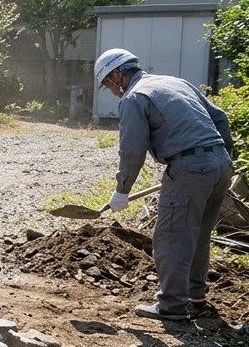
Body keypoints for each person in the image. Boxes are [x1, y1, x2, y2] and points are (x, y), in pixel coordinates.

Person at [94, 47, 234, 321]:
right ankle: (194, 295)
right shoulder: (175, 82)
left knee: (171, 236)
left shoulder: (134, 97)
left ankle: (171, 305)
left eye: (108, 83)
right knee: (198, 233)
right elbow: (220, 117)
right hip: (220, 164)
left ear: (118, 74)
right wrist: (218, 159)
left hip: (189, 168)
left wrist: (122, 190)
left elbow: (132, 150)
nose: (111, 91)